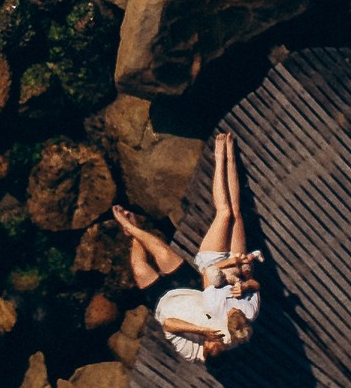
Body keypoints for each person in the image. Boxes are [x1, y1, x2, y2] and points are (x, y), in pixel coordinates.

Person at [111, 123, 263, 365]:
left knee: (139, 265)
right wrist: (242, 277)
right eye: (223, 342)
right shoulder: (235, 328)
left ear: (208, 348)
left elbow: (169, 324)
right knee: (231, 214)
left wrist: (201, 332)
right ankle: (225, 156)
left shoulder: (191, 350)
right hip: (189, 284)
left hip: (163, 301)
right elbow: (250, 288)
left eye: (216, 342)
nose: (220, 339)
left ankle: (133, 230)